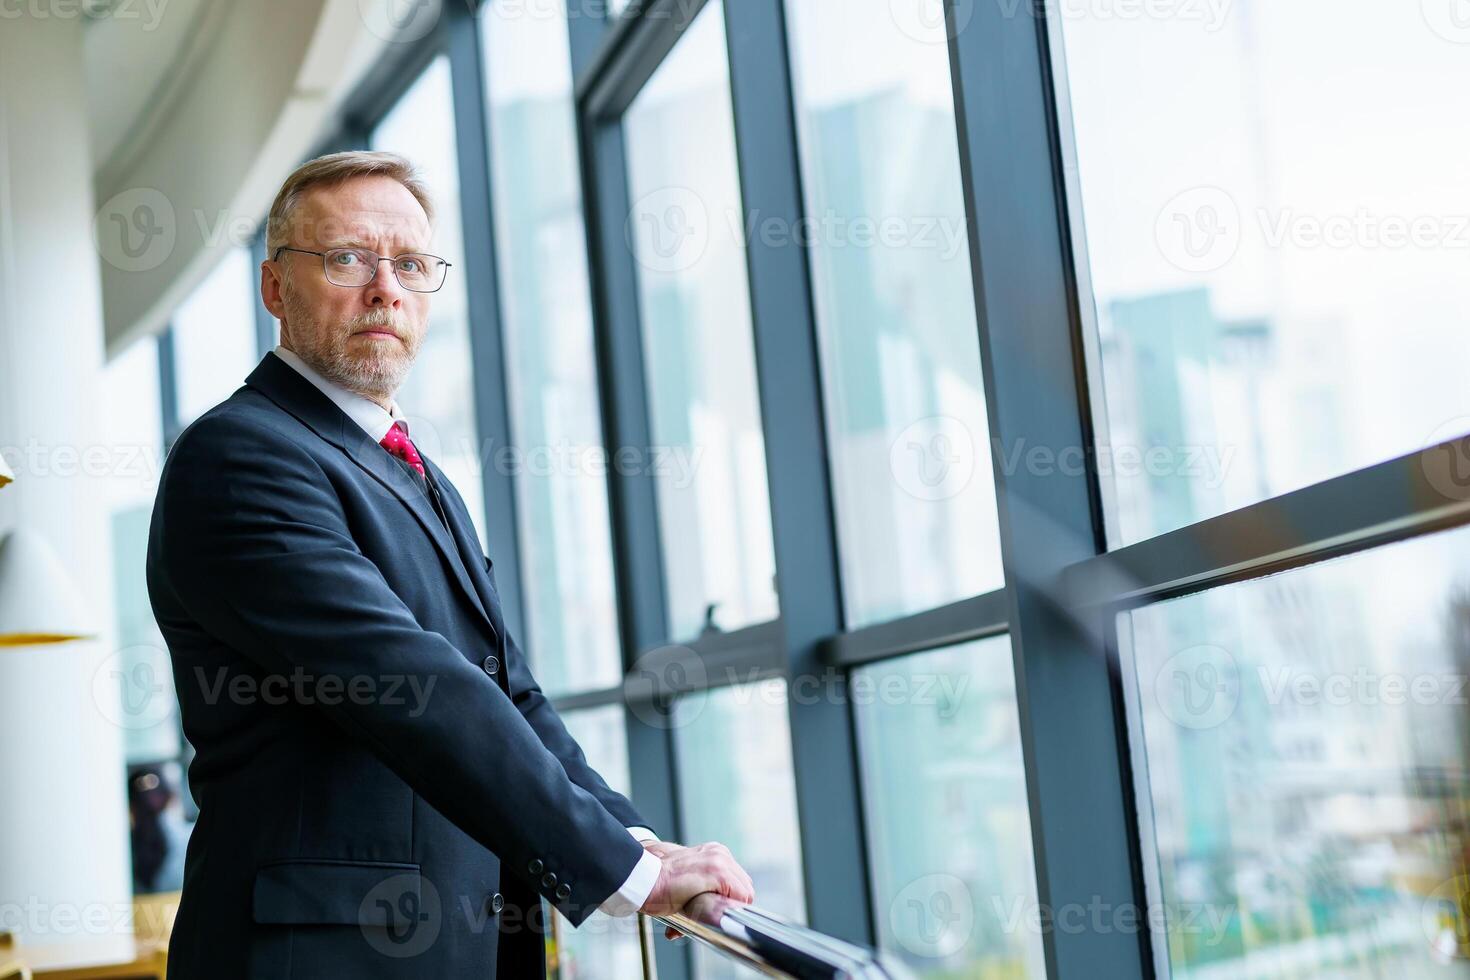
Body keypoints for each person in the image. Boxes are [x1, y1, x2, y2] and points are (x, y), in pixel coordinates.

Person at [146, 151, 754, 979]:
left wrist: (634, 843)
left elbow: (510, 692)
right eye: (348, 258)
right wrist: (629, 877)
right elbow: (412, 685)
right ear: (276, 289)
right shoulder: (240, 455)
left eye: (411, 265)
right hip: (320, 957)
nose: (386, 288)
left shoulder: (416, 472)